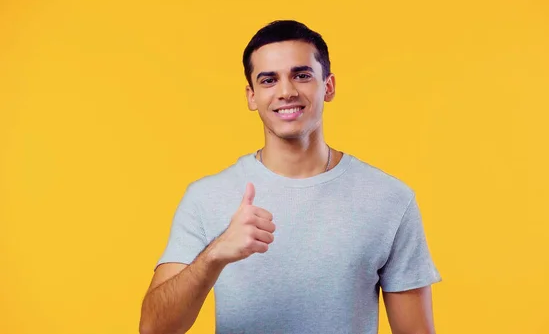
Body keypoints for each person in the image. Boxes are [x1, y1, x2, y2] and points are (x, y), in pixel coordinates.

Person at [139, 20, 442, 334]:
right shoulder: (206, 197)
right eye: (269, 80)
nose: (286, 91)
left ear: (329, 86)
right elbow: (153, 328)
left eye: (301, 75)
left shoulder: (390, 199)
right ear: (251, 96)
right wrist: (216, 253)